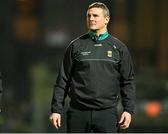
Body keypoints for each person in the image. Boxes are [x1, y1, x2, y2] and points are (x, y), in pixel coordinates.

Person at [49, 2, 136, 133]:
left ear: (106, 19)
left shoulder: (119, 48)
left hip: (106, 113)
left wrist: (128, 110)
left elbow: (128, 82)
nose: (91, 19)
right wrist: (56, 110)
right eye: (88, 16)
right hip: (78, 112)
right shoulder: (75, 46)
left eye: (95, 15)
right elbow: (62, 81)